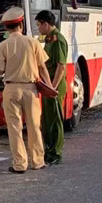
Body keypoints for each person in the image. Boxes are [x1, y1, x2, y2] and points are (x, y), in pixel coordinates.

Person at [0, 7, 50, 174]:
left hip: (11, 89)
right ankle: (38, 161)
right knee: (34, 125)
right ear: (22, 24)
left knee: (14, 128)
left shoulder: (2, 45)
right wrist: (51, 87)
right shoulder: (33, 42)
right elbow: (42, 68)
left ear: (6, 28)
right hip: (30, 89)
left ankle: (20, 164)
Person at [35, 10, 67, 165]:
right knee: (47, 120)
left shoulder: (58, 40)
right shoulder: (49, 39)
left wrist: (52, 87)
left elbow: (61, 67)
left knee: (55, 120)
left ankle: (56, 153)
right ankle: (49, 151)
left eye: (39, 25)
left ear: (46, 24)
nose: (38, 29)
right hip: (48, 85)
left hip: (55, 85)